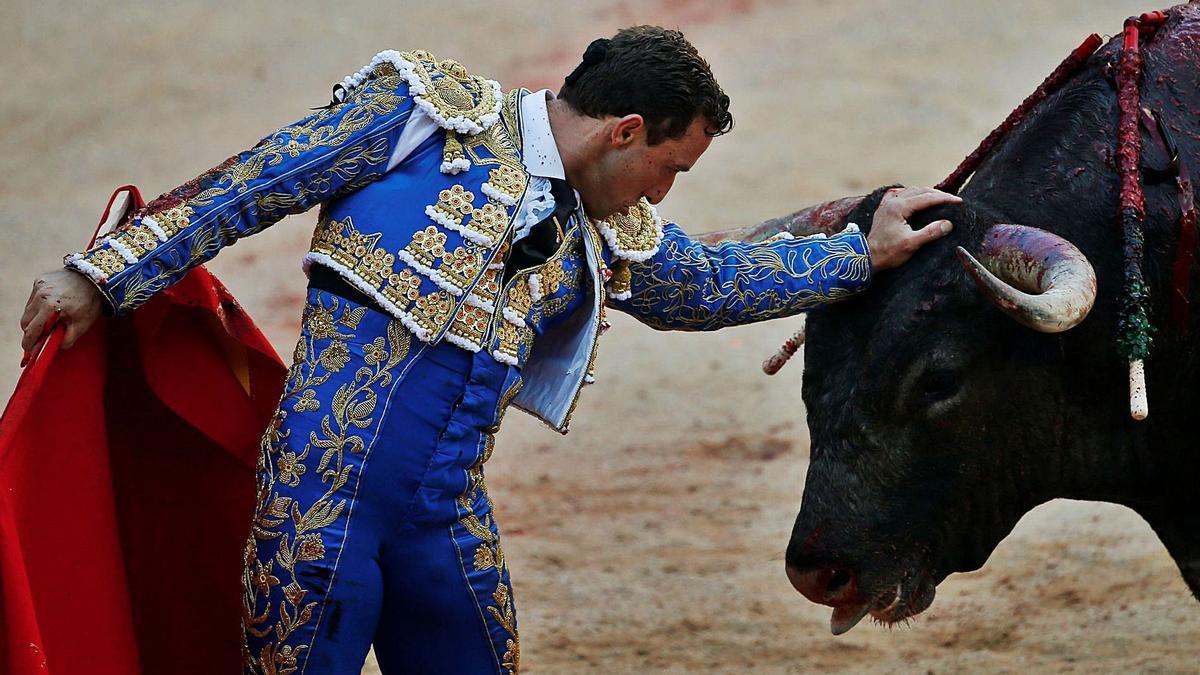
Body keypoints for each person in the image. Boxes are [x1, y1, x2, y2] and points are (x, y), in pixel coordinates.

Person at [19, 26, 958, 675]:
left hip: (444, 522)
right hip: (317, 511)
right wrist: (100, 274)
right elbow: (254, 182)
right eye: (669, 168)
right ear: (626, 131)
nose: (663, 197)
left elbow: (709, 284)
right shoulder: (417, 116)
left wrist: (858, 254)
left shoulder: (608, 226)